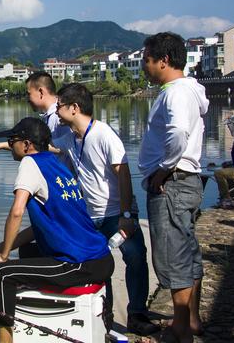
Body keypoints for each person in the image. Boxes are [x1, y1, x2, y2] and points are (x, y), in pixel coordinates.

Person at [0, 117, 114, 343]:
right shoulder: (55, 164)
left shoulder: (30, 164)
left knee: (4, 274)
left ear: (27, 144)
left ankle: (4, 340)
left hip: (79, 263)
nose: (10, 145)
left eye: (13, 140)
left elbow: (17, 211)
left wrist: (2, 257)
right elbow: (37, 228)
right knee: (29, 253)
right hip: (101, 259)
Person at [52, 83, 158, 335]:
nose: (56, 111)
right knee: (100, 267)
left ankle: (137, 314)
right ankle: (106, 318)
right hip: (90, 216)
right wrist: (4, 146)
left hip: (114, 214)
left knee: (135, 259)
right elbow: (45, 147)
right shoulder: (71, 138)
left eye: (60, 106)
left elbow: (122, 173)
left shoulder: (103, 134)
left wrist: (126, 215)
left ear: (74, 108)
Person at [139, 32, 209, 343]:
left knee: (173, 255)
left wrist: (164, 170)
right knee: (188, 249)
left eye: (147, 60)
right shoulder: (188, 91)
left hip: (174, 182)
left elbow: (179, 131)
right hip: (186, 180)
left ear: (163, 61)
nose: (145, 66)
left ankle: (181, 328)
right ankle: (191, 319)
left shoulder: (176, 93)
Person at [0, 71, 70, 155]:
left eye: (29, 94)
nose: (27, 99)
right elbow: (32, 145)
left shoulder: (59, 117)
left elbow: (64, 149)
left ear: (41, 92)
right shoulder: (48, 116)